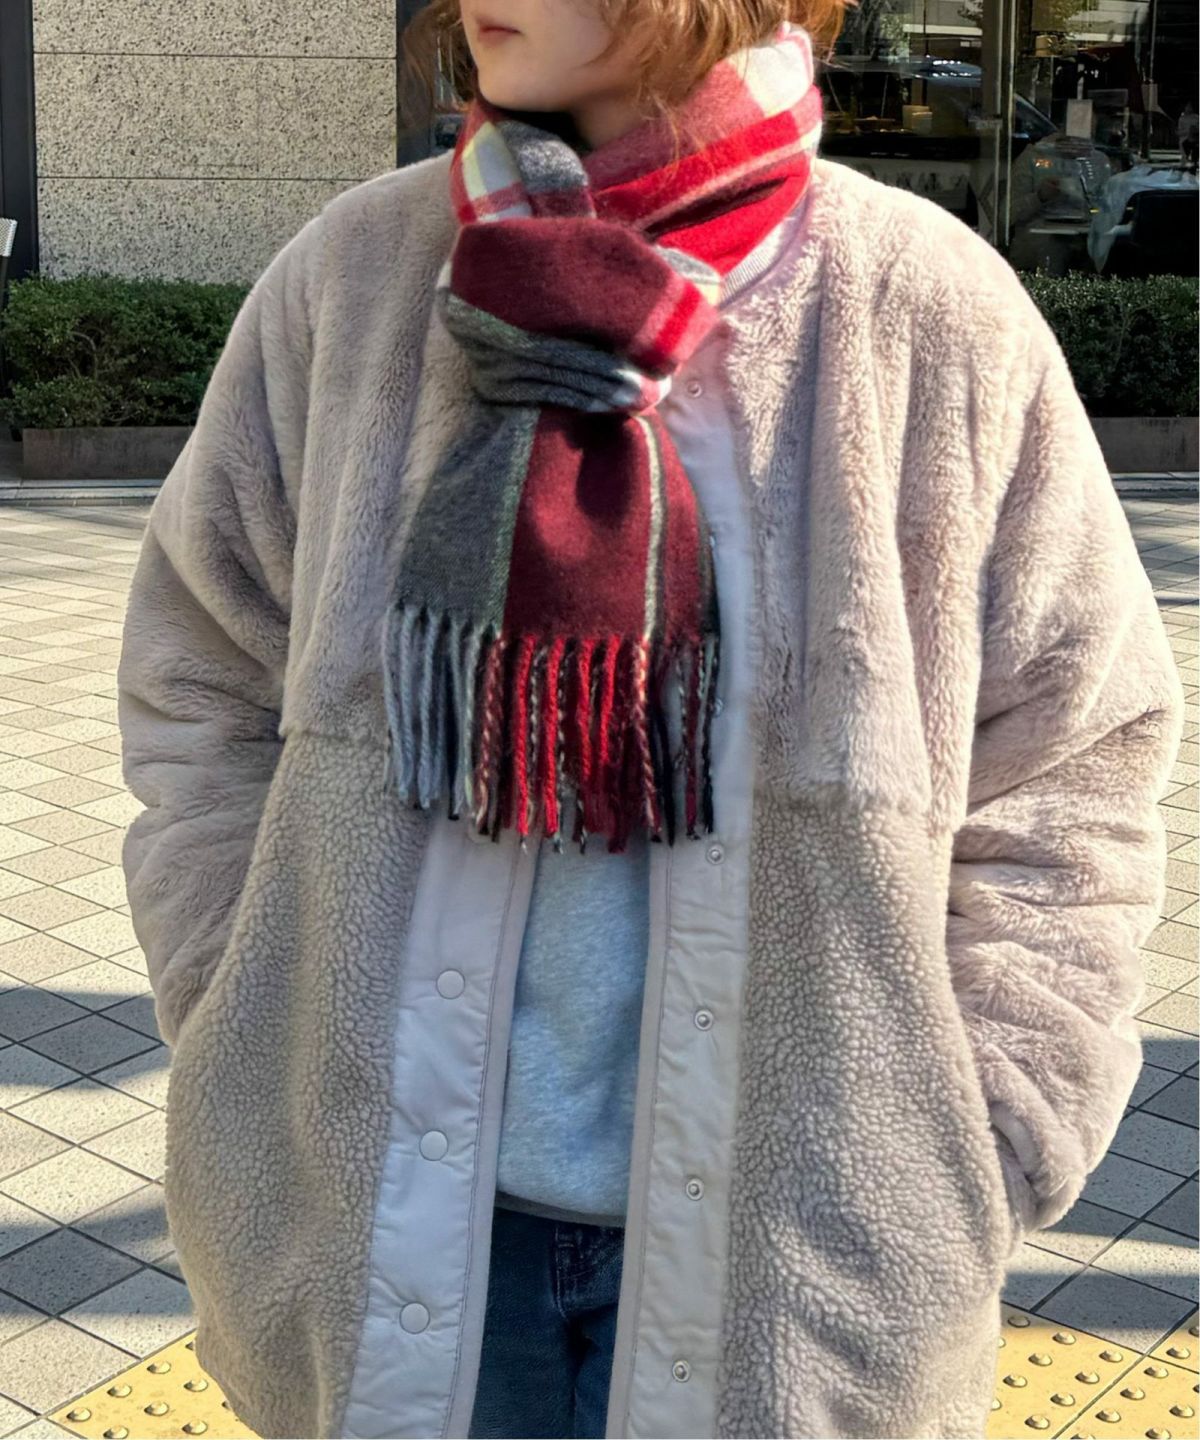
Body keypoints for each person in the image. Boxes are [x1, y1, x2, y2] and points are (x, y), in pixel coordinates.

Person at [115, 0, 1185, 1436]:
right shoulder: (356, 277)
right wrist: (238, 1015)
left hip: (803, 1257)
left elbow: (1070, 762)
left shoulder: (922, 303)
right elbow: (202, 678)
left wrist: (977, 1134)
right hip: (379, 1222)